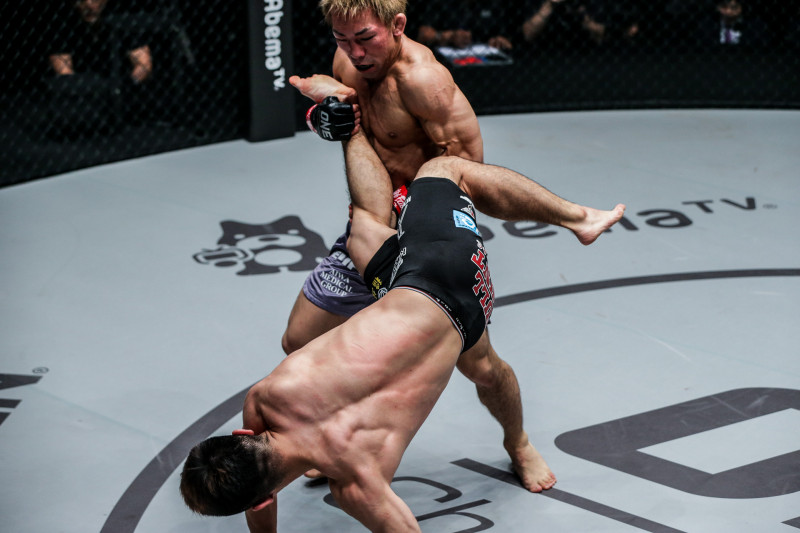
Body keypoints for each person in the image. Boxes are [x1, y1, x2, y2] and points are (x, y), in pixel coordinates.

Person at [180, 128, 626, 532]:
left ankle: (353, 128)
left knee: (363, 231)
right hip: (442, 271)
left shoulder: (359, 486)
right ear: (243, 435)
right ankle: (577, 219)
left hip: (437, 298)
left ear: (262, 499)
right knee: (443, 170)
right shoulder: (267, 397)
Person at [285, 0, 619, 494]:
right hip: (372, 224)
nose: (354, 52)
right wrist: (325, 117)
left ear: (397, 26)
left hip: (429, 233)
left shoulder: (425, 81)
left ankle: (518, 442)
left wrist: (409, 220)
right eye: (342, 40)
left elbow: (467, 176)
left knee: (481, 367)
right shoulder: (347, 63)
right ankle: (330, 437)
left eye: (365, 38)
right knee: (300, 339)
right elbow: (347, 122)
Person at [47, 0, 153, 136]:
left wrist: (125, 86)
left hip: (125, 97)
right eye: (82, 0)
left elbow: (144, 65)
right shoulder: (63, 24)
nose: (89, 4)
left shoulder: (120, 17)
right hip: (85, 100)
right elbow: (65, 75)